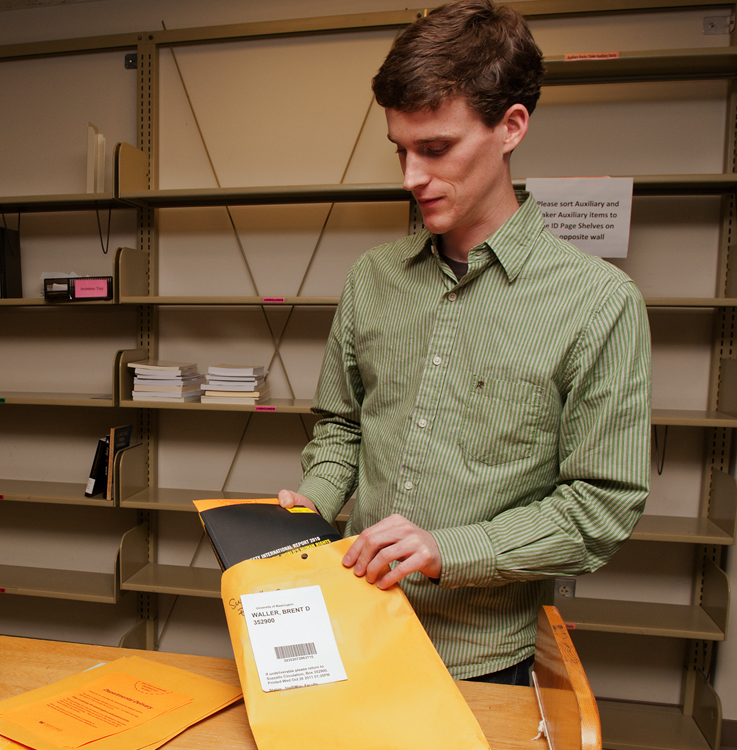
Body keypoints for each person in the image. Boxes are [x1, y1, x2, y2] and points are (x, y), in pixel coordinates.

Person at [278, 0, 650, 685]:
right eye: (400, 150)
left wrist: (450, 550)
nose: (410, 177)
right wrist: (312, 502)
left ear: (511, 127)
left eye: (435, 149)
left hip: (480, 660)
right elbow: (342, 430)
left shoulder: (599, 302)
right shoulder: (372, 279)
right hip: (353, 629)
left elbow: (601, 505)